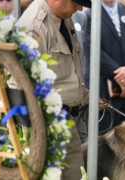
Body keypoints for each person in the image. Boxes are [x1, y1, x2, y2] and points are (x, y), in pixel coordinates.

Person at [16, 0, 104, 179]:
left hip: (64, 119)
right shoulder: (36, 25)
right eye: (77, 3)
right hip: (43, 125)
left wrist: (86, 96)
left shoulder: (62, 16)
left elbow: (64, 74)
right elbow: (21, 83)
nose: (80, 8)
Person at [83, 0, 125, 131]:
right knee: (104, 144)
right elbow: (92, 49)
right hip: (104, 93)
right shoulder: (88, 16)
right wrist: (122, 77)